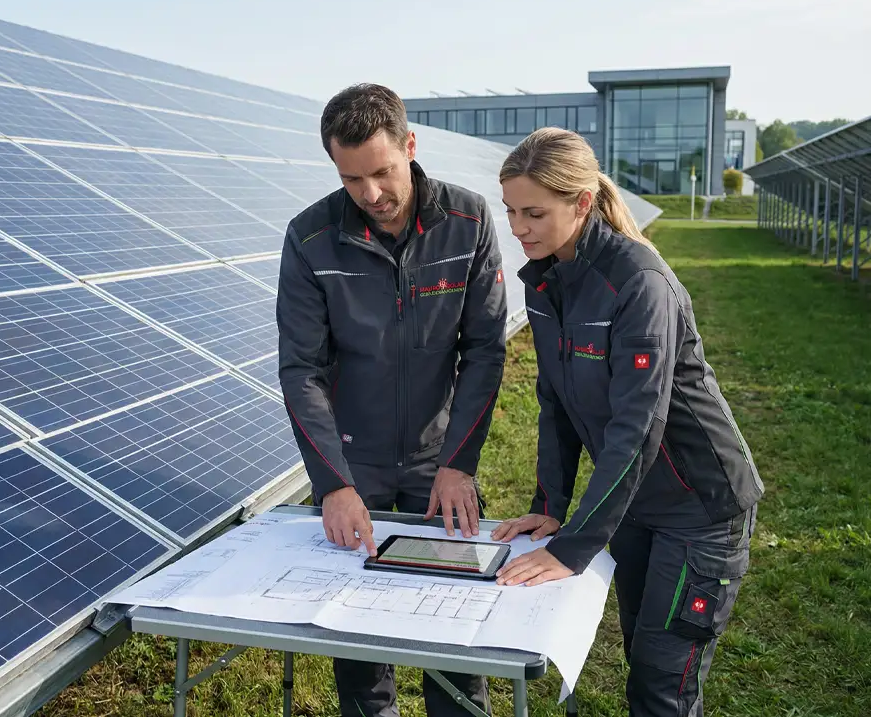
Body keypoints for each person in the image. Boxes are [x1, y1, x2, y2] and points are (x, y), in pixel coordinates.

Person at [489, 127, 764, 717]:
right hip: (637, 506)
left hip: (701, 512)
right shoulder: (544, 283)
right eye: (511, 211)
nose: (518, 228)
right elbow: (556, 403)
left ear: (581, 203)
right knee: (642, 653)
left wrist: (573, 547)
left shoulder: (638, 283)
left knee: (661, 688)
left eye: (534, 212)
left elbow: (637, 429)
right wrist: (551, 505)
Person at [276, 83, 508, 717]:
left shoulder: (468, 221)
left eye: (381, 172)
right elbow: (301, 370)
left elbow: (486, 350)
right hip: (357, 464)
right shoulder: (310, 239)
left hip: (440, 461)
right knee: (357, 634)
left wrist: (458, 462)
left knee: (451, 631)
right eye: (352, 179)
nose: (370, 194)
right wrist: (332, 483)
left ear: (410, 145)